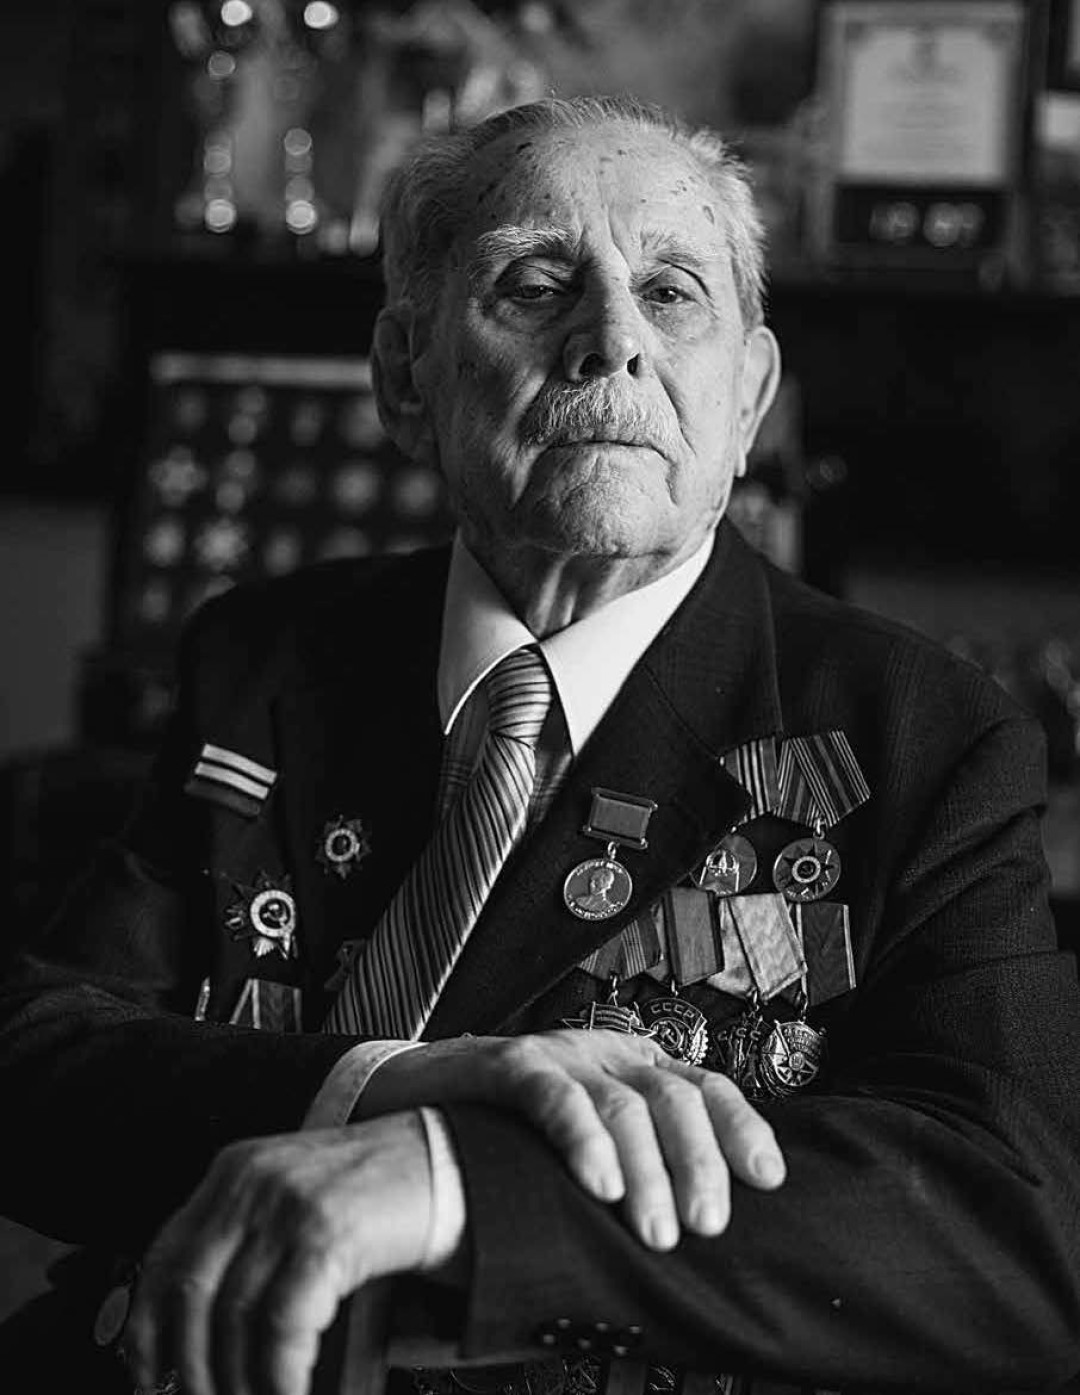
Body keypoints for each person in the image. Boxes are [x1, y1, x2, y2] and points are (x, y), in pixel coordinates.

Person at [1, 93, 1079, 1395]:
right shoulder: (264, 654)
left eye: (671, 294)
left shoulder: (925, 736)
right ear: (406, 373)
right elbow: (37, 1058)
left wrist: (460, 1177)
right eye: (534, 284)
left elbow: (1014, 1234)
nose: (612, 342)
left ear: (749, 398)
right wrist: (376, 1091)